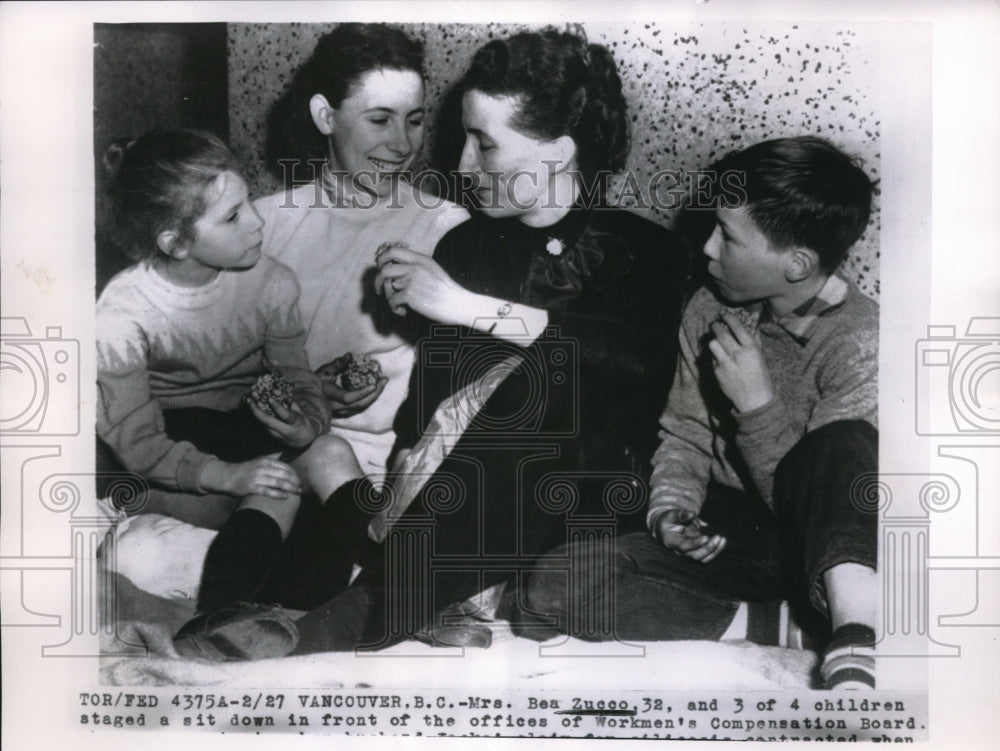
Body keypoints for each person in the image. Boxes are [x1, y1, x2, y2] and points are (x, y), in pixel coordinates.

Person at [279, 28, 690, 654]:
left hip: (587, 502)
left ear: (558, 154)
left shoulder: (646, 250)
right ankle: (418, 578)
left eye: (485, 144)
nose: (462, 165)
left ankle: (379, 600)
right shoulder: (464, 246)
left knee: (544, 378)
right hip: (463, 503)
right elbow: (428, 415)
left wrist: (465, 307)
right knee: (368, 466)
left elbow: (630, 361)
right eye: (465, 137)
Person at [524, 136, 880, 690]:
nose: (707, 248)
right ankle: (774, 625)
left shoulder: (859, 339)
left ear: (796, 263)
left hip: (825, 552)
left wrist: (756, 404)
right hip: (732, 535)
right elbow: (685, 433)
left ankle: (855, 629)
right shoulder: (708, 306)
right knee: (553, 582)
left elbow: (825, 497)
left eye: (728, 236)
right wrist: (671, 513)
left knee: (847, 443)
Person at [253, 23, 469, 480]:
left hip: (392, 472)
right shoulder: (261, 226)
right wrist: (305, 392)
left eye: (414, 120)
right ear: (325, 116)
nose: (403, 145)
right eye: (379, 119)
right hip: (266, 464)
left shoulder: (448, 227)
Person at [97, 129, 331, 504]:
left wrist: (307, 423)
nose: (257, 222)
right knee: (259, 504)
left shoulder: (273, 281)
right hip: (170, 449)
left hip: (246, 429)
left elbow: (297, 377)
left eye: (249, 202)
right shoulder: (120, 313)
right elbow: (136, 439)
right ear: (176, 243)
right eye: (233, 216)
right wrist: (229, 477)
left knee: (327, 456)